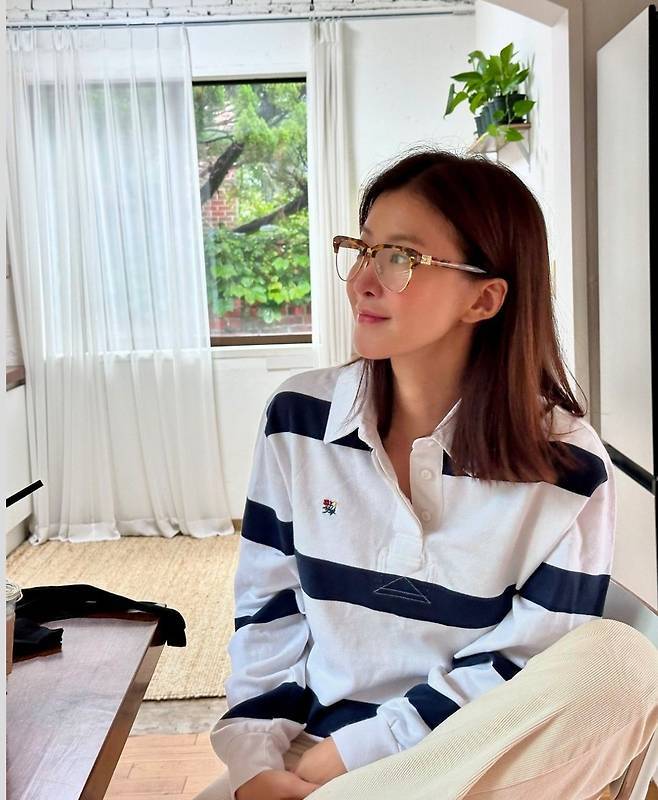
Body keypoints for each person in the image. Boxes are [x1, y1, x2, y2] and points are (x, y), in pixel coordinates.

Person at [194, 148, 658, 800]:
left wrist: (348, 762)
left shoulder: (568, 466)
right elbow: (267, 613)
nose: (362, 279)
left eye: (400, 257)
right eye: (362, 249)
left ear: (484, 299)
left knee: (623, 665)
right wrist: (255, 762)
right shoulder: (298, 420)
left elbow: (524, 660)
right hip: (305, 753)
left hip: (459, 754)